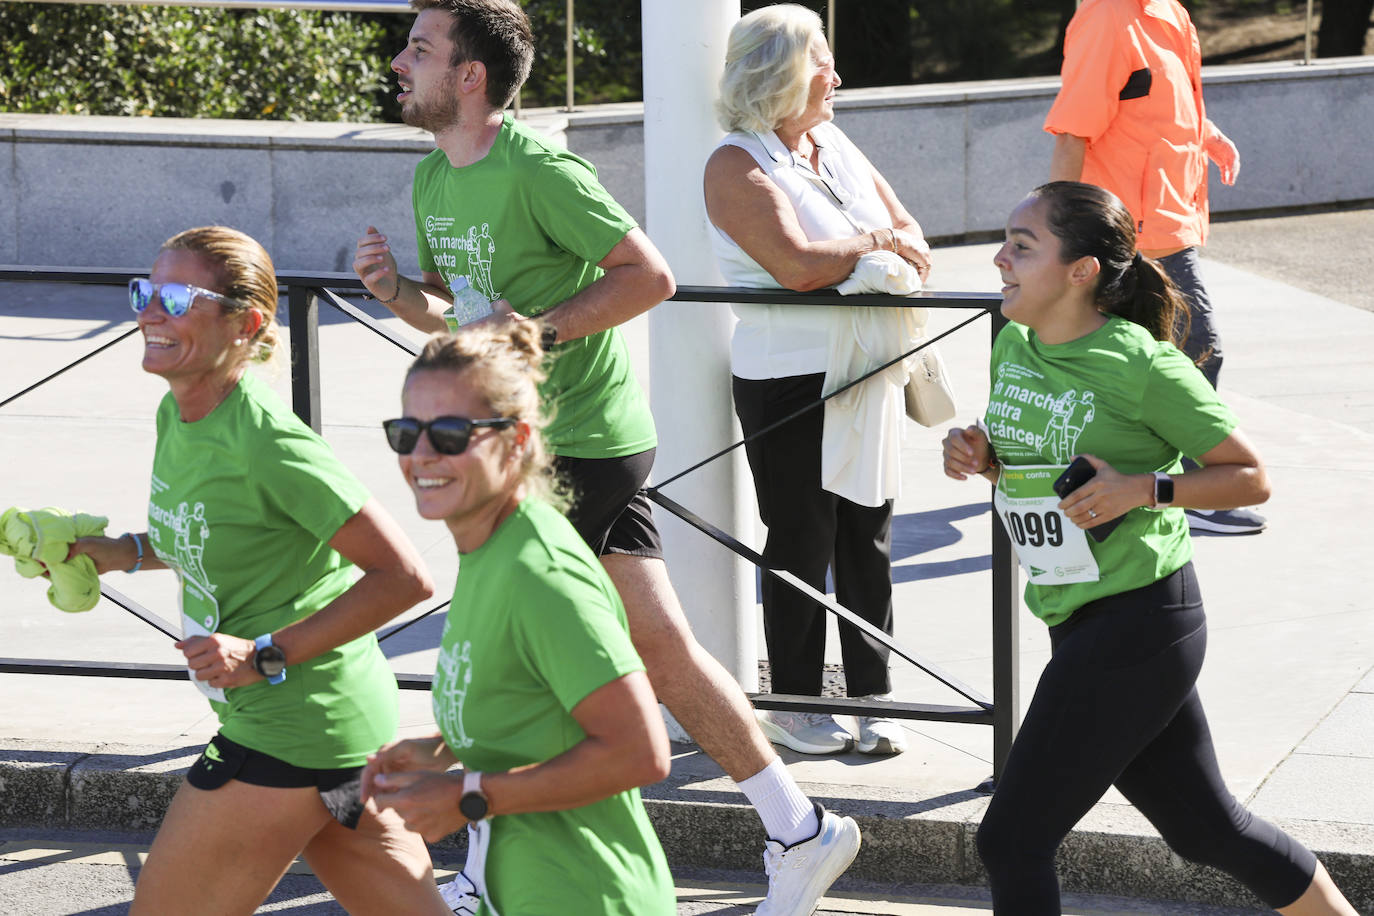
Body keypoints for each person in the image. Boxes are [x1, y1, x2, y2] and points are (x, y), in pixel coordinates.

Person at [351, 2, 860, 911]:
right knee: (661, 649)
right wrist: (398, 295)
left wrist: (537, 334)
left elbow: (648, 275)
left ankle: (473, 863)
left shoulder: (537, 168)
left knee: (494, 639)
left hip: (573, 441)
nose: (400, 61)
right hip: (531, 440)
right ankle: (799, 826)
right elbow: (464, 320)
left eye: (420, 49)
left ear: (470, 76)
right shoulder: (434, 178)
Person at [942, 182, 1357, 916]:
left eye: (1022, 245)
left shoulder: (1139, 363)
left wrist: (1146, 489)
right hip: (1072, 613)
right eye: (1006, 239)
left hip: (1139, 621)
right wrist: (981, 452)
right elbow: (1033, 454)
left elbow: (1250, 477)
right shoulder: (1013, 339)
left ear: (1082, 271)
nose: (998, 257)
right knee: (1207, 830)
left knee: (1013, 838)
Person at [67, 226, 450, 915]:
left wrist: (268, 654)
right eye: (145, 292)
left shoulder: (271, 444)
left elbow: (404, 576)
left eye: (177, 297)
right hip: (338, 740)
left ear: (246, 323)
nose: (150, 312)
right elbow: (209, 530)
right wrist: (124, 551)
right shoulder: (178, 413)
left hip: (287, 733)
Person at [363, 323, 675, 915]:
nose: (422, 455)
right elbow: (532, 704)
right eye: (407, 433)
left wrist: (468, 795)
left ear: (516, 440)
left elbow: (640, 752)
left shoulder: (541, 572)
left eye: (451, 434)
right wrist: (444, 747)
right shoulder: (489, 544)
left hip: (590, 898)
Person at [703, 4, 933, 758]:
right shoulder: (735, 163)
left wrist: (880, 249)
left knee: (869, 532)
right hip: (788, 377)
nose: (837, 75)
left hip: (865, 364)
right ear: (779, 74)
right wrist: (872, 247)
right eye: (822, 61)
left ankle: (874, 696)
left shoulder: (832, 140)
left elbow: (915, 234)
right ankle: (796, 702)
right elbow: (799, 265)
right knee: (802, 536)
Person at [1044, 0, 1266, 535]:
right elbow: (1074, 130)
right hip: (1132, 233)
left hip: (1166, 222)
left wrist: (1208, 136)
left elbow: (1161, 102)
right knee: (1197, 347)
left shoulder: (1170, 11)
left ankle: (1113, 482)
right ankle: (1196, 495)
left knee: (1133, 359)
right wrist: (1056, 230)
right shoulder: (1107, 18)